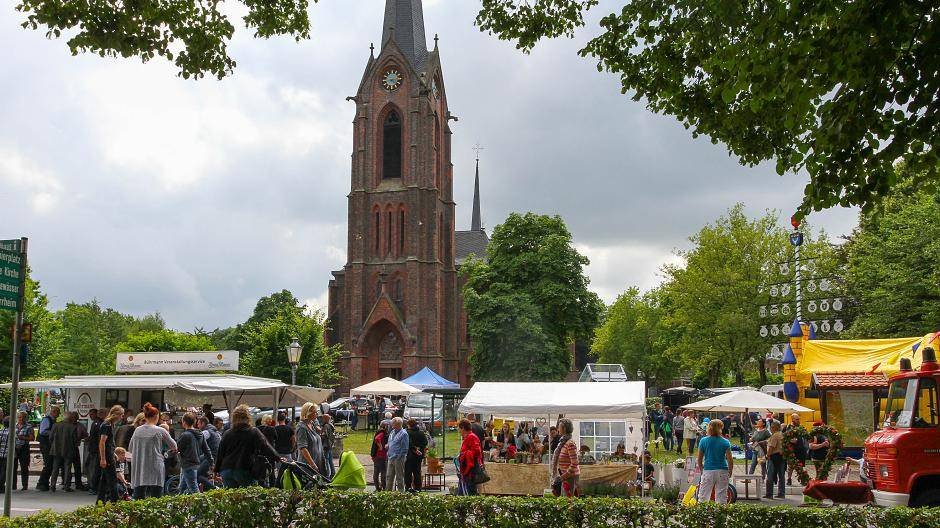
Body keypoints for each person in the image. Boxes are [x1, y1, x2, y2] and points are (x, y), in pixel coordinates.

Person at [214, 404, 281, 488]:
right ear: (248, 417)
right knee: (250, 497)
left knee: (231, 498)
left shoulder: (227, 433)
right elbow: (265, 446)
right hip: (244, 468)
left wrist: (216, 470)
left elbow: (220, 453)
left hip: (226, 470)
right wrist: (278, 457)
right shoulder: (253, 431)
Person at [129, 402, 178, 500]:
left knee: (139, 497)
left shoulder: (137, 430)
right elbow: (174, 446)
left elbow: (130, 448)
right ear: (156, 416)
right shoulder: (160, 430)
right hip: (155, 467)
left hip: (140, 467)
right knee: (156, 498)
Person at [696, 419, 733, 504]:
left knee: (703, 496)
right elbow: (730, 460)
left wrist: (702, 470)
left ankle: (702, 515)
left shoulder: (703, 441)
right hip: (722, 470)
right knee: (722, 496)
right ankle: (720, 515)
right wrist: (730, 471)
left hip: (708, 470)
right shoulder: (725, 442)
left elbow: (699, 459)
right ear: (721, 428)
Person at [177, 412, 213, 494]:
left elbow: (177, 449)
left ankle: (203, 506)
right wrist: (212, 462)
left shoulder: (185, 435)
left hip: (187, 464)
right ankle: (176, 506)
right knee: (182, 488)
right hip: (196, 464)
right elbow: (207, 450)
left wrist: (169, 454)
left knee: (194, 490)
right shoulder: (200, 434)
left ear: (184, 422)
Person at [96, 405, 125, 504]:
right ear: (116, 414)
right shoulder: (107, 425)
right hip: (107, 456)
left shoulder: (109, 424)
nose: (122, 417)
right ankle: (115, 502)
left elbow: (108, 442)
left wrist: (113, 452)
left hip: (109, 453)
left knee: (104, 480)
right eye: (121, 415)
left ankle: (100, 502)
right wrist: (103, 458)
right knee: (112, 480)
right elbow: (102, 442)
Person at [50, 411, 78, 492]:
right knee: (67, 468)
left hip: (56, 449)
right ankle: (66, 486)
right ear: (70, 418)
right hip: (68, 450)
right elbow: (75, 440)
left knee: (55, 468)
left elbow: (51, 437)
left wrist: (54, 444)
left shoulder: (55, 425)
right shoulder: (72, 427)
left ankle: (52, 485)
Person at [552, 418, 580, 497]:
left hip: (570, 477)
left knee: (569, 500)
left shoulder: (570, 443)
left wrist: (564, 476)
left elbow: (575, 463)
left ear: (564, 429)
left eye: (559, 427)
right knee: (565, 499)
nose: (558, 429)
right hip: (565, 476)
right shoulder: (563, 442)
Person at [36, 405, 60, 491]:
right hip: (45, 445)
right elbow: (43, 431)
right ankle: (42, 483)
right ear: (54, 412)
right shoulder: (47, 420)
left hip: (49, 445)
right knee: (48, 464)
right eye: (58, 412)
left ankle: (44, 483)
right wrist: (53, 433)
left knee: (50, 464)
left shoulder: (52, 420)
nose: (59, 414)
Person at [295, 402, 323, 474]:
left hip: (316, 463)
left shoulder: (312, 423)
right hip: (307, 466)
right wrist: (312, 464)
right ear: (308, 413)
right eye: (315, 412)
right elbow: (303, 448)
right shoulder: (302, 427)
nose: (317, 414)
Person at [457, 418, 482, 496]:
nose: (459, 431)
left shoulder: (471, 437)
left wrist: (463, 454)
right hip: (466, 470)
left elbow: (477, 451)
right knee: (463, 491)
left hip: (470, 470)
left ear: (463, 428)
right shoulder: (468, 437)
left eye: (459, 428)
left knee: (469, 491)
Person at [764, 421, 786, 499]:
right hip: (782, 457)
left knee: (770, 475)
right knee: (781, 475)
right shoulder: (782, 434)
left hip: (774, 457)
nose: (771, 428)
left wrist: (768, 455)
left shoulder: (775, 436)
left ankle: (769, 493)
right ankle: (781, 493)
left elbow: (771, 447)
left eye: (772, 427)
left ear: (774, 427)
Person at [386, 416, 409, 491]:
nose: (392, 425)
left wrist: (399, 457)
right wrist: (388, 446)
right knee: (389, 476)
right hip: (390, 457)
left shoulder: (404, 434)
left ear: (398, 424)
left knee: (399, 477)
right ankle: (387, 493)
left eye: (393, 424)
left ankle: (400, 493)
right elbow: (390, 441)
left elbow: (405, 448)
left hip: (398, 458)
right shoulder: (392, 432)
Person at [784, 413, 808, 485]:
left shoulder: (801, 427)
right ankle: (789, 478)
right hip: (792, 449)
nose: (798, 420)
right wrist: (790, 440)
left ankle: (802, 479)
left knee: (800, 465)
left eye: (799, 419)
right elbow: (784, 437)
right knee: (791, 465)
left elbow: (805, 435)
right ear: (793, 419)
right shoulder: (789, 427)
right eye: (797, 419)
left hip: (800, 449)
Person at [405, 418, 427, 492]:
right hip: (418, 456)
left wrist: (414, 448)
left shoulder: (407, 433)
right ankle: (418, 488)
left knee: (408, 472)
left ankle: (408, 488)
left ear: (409, 425)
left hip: (409, 455)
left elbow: (407, 443)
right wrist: (419, 447)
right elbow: (425, 442)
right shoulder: (421, 432)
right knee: (417, 472)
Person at [13, 411, 34, 490]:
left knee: (24, 467)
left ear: (25, 418)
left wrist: (24, 438)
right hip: (15, 448)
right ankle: (13, 485)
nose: (20, 419)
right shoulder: (14, 426)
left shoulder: (28, 426)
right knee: (13, 467)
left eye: (21, 417)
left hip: (24, 448)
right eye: (19, 417)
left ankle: (25, 485)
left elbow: (32, 438)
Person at [85, 408, 103, 494]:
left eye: (92, 414)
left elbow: (97, 437)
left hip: (95, 449)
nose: (90, 416)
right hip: (93, 449)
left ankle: (93, 486)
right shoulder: (96, 423)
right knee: (89, 466)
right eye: (89, 414)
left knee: (94, 468)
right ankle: (91, 484)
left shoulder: (97, 423)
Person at [70, 411, 88, 490]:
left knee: (77, 466)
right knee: (67, 466)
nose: (73, 419)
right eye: (72, 417)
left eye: (75, 417)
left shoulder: (80, 426)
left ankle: (78, 483)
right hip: (67, 448)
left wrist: (81, 439)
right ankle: (66, 482)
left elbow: (85, 435)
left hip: (74, 447)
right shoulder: (68, 425)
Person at [371, 422, 389, 490]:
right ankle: (384, 487)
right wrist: (381, 447)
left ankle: (377, 487)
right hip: (381, 455)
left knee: (376, 472)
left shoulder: (378, 432)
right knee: (383, 472)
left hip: (375, 455)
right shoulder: (382, 433)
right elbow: (377, 439)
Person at [320, 414, 337, 479]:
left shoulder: (326, 426)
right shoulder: (331, 425)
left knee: (326, 460)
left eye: (323, 418)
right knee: (330, 460)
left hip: (326, 445)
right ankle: (333, 473)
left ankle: (327, 475)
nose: (322, 420)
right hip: (330, 445)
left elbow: (324, 435)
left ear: (325, 419)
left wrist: (320, 437)